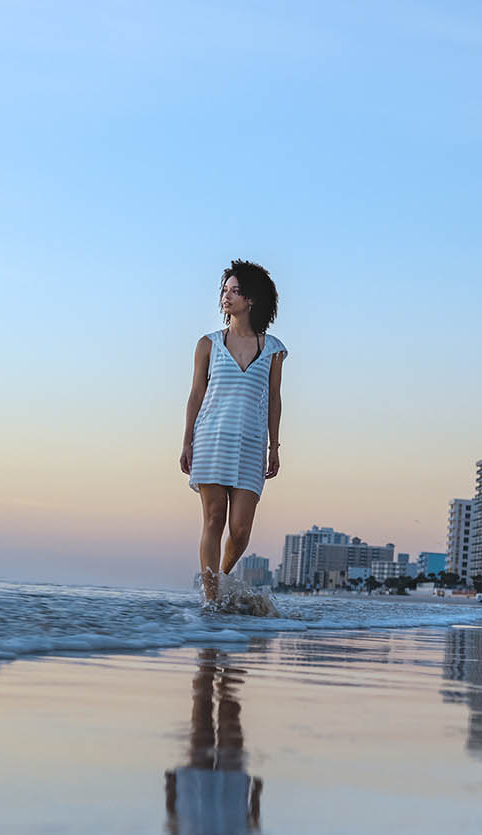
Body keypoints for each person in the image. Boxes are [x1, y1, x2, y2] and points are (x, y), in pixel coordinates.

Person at [181, 260, 285, 604]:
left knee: (240, 530)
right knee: (213, 518)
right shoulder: (208, 344)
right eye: (224, 290)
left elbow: (274, 399)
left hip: (251, 445)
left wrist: (274, 446)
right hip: (211, 439)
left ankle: (221, 579)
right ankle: (211, 600)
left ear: (251, 299)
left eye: (235, 290)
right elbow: (196, 394)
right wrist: (187, 441)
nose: (227, 296)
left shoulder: (272, 349)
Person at [164, 648, 263, 833]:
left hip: (195, 801)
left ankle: (210, 645)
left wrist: (170, 790)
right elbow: (252, 827)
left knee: (203, 711)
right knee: (228, 715)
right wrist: (256, 797)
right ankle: (223, 650)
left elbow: (173, 826)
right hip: (229, 800)